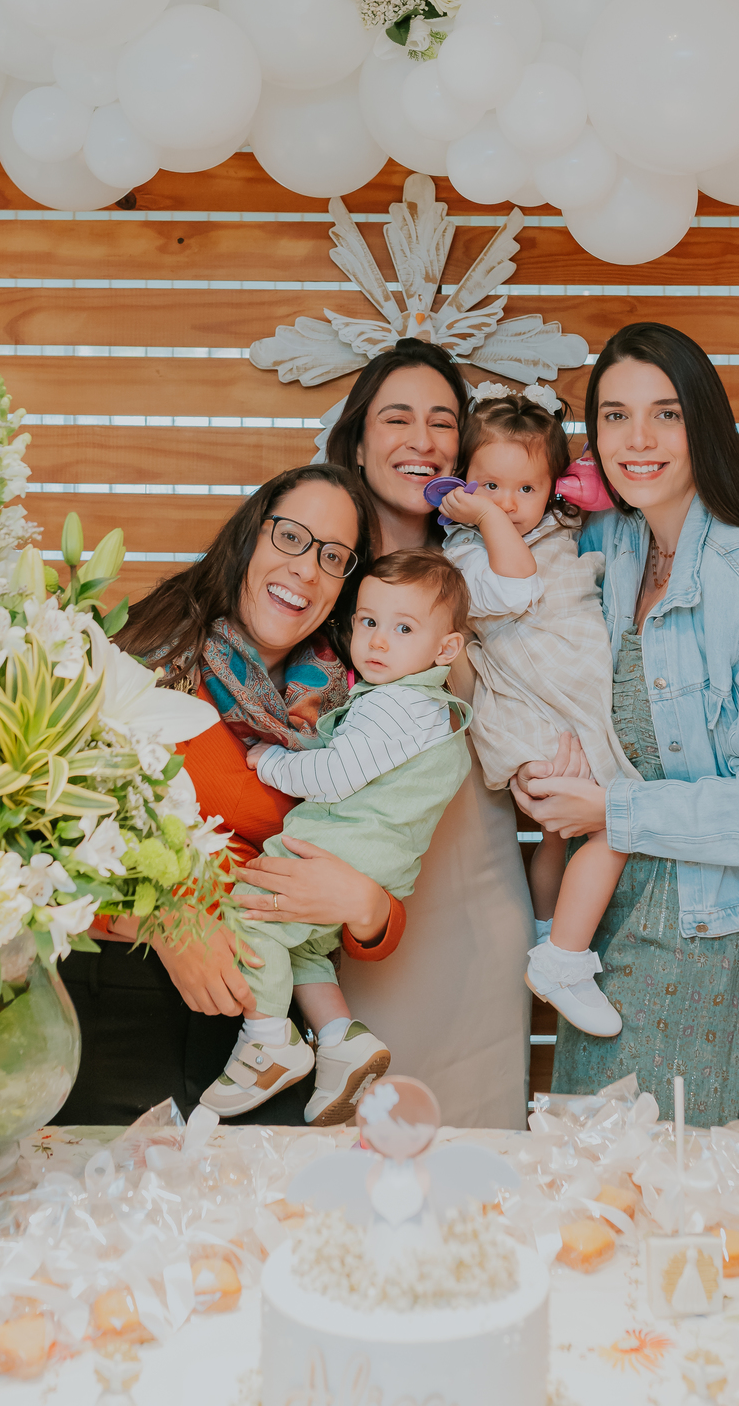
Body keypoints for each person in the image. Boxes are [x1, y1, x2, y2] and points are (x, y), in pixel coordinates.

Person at [512, 323, 739, 1126]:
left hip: (701, 933)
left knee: (671, 1195)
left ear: (705, 426)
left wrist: (611, 811)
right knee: (598, 1187)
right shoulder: (618, 549)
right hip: (604, 925)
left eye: (666, 414)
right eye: (616, 416)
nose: (639, 439)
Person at [55, 465, 408, 1125]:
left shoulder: (362, 709)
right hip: (128, 999)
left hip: (269, 1024)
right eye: (292, 538)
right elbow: (43, 853)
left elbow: (386, 859)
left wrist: (368, 906)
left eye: (333, 557)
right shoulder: (144, 662)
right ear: (250, 538)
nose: (307, 568)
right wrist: (160, 925)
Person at [326, 339, 537, 1129]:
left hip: (475, 907)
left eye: (441, 421)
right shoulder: (313, 571)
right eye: (397, 417)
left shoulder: (490, 570)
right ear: (357, 438)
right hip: (349, 912)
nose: (421, 438)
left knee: (473, 1174)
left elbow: (555, 683)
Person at [201, 549, 472, 1124]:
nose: (377, 642)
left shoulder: (393, 707)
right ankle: (339, 1039)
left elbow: (332, 777)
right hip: (376, 862)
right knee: (305, 950)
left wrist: (270, 761)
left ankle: (268, 1040)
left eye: (403, 629)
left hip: (342, 849)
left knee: (252, 914)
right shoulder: (426, 708)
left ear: (446, 649)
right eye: (368, 623)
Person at [436, 383, 640, 1041]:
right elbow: (519, 584)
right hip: (530, 711)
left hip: (566, 705)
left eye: (526, 489)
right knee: (618, 820)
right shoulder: (467, 554)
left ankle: (553, 930)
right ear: (464, 486)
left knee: (562, 833)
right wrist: (487, 517)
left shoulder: (556, 524)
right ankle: (563, 961)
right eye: (490, 486)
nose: (510, 504)